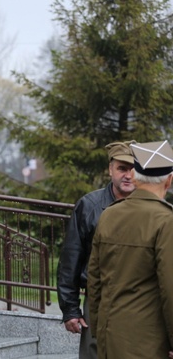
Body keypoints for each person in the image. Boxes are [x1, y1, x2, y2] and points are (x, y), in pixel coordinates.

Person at [88, 140, 173, 358]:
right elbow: (170, 289)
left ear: (135, 176)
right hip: (148, 343)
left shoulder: (109, 214)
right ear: (169, 180)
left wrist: (98, 328)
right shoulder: (166, 221)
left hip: (109, 337)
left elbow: (95, 278)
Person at [57, 141, 135, 358]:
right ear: (110, 169)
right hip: (99, 299)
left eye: (134, 169)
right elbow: (70, 258)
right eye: (122, 168)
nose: (128, 175)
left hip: (140, 300)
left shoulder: (150, 208)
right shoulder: (89, 205)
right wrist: (70, 309)